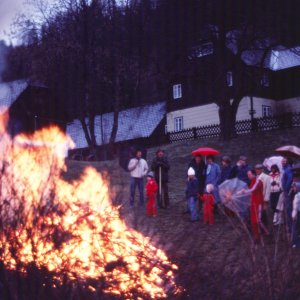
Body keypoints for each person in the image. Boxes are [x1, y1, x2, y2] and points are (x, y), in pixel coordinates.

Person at [243, 169, 269, 242]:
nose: (248, 176)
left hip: (258, 203)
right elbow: (251, 192)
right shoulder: (252, 181)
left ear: (254, 174)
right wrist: (241, 193)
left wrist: (244, 191)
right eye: (247, 175)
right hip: (253, 203)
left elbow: (252, 189)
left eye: (249, 174)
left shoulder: (258, 181)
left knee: (258, 220)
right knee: (253, 220)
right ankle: (256, 236)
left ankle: (266, 232)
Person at [255, 164, 271, 230]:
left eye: (259, 169)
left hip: (263, 197)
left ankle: (266, 226)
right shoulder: (256, 177)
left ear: (262, 169)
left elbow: (268, 188)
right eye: (256, 169)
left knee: (264, 213)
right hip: (257, 198)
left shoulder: (266, 177)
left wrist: (266, 199)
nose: (257, 170)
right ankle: (260, 226)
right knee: (259, 212)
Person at [291, 182, 300, 248]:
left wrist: (293, 216)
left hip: (298, 214)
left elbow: (295, 207)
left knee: (295, 228)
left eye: (294, 187)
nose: (293, 189)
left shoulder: (297, 196)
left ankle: (296, 244)